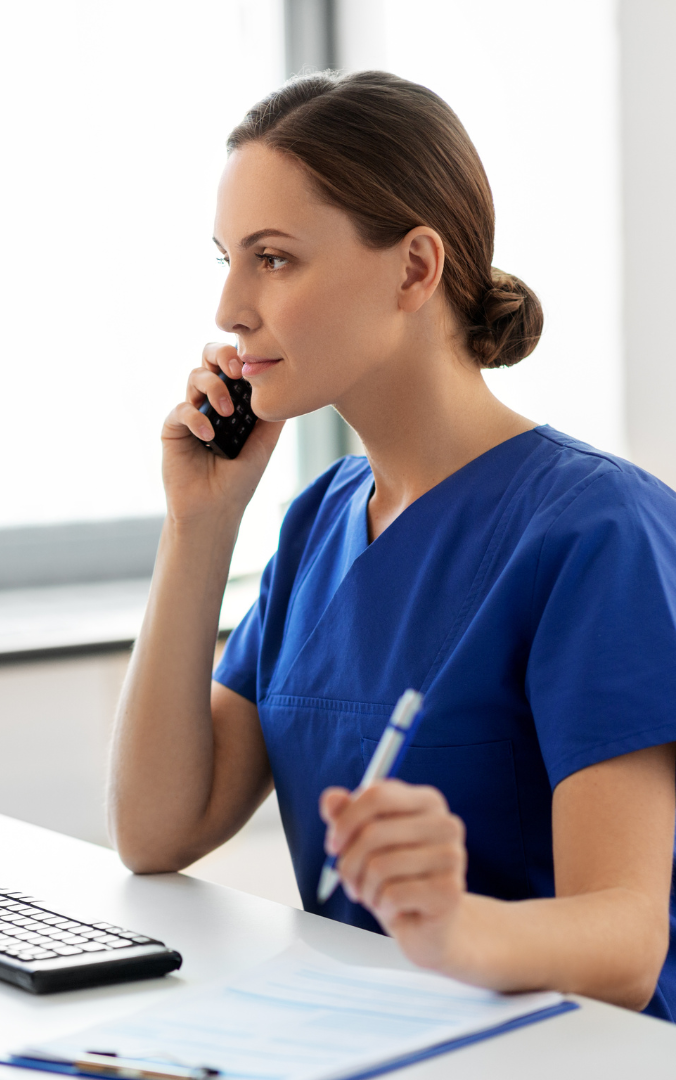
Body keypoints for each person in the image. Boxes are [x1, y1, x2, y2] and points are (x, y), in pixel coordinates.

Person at [108, 70, 676, 1018]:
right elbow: (156, 829)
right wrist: (198, 525)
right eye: (227, 260)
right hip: (373, 1036)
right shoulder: (323, 519)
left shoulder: (599, 533)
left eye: (275, 259)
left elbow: (625, 940)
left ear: (415, 268)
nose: (231, 308)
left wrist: (457, 931)